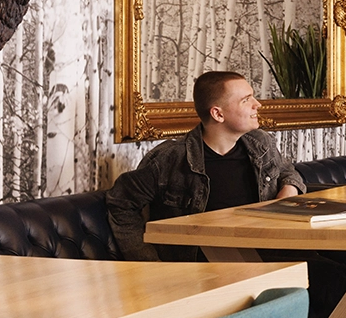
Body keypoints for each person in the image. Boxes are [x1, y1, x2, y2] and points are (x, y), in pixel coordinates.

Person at [106, 70, 305, 261]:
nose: (258, 104)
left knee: (333, 271)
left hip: (268, 250)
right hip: (209, 265)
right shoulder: (170, 159)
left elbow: (286, 170)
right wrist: (149, 264)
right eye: (246, 100)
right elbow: (121, 203)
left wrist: (289, 189)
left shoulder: (259, 142)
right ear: (218, 114)